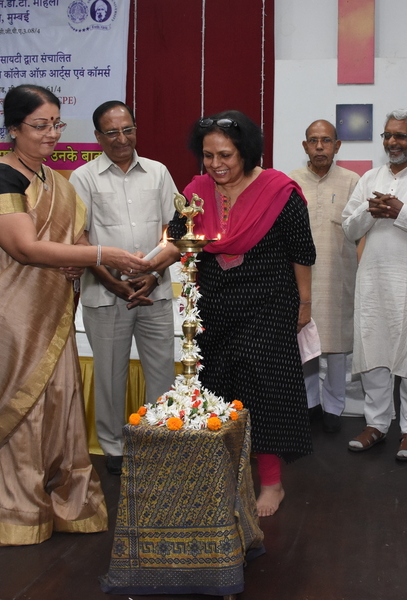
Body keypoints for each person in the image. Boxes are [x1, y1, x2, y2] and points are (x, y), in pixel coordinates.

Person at [0, 84, 146, 546]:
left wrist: (101, 270)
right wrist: (105, 254)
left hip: (52, 312)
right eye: (40, 125)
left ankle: (67, 505)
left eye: (56, 124)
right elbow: (25, 248)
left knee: (61, 404)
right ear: (13, 129)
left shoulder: (56, 183)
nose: (52, 134)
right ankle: (18, 513)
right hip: (10, 317)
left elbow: (76, 241)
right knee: (24, 412)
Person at [142, 110, 315, 517]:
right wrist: (147, 269)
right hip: (215, 305)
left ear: (246, 152)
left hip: (269, 304)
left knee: (264, 393)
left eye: (226, 155)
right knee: (217, 391)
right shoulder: (197, 192)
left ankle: (271, 484)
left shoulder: (280, 192)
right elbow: (178, 240)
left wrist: (304, 304)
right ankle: (224, 477)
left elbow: (302, 253)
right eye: (208, 155)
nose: (216, 165)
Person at [69, 101, 177, 475]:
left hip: (154, 291)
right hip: (104, 294)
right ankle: (113, 447)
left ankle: (160, 439)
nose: (121, 138)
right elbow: (79, 238)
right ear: (98, 136)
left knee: (161, 371)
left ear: (136, 130)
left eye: (127, 129)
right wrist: (111, 281)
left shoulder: (158, 172)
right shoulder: (83, 177)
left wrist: (155, 274)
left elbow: (175, 228)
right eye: (112, 132)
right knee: (110, 375)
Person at [341, 109, 407, 461]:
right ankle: (376, 423)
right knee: (373, 350)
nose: (392, 142)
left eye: (400, 136)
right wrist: (370, 211)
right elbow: (349, 227)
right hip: (373, 279)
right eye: (387, 135)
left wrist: (400, 211)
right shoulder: (369, 177)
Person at [288, 120, 360, 433]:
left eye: (326, 141)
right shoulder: (289, 181)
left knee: (336, 346)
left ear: (337, 145)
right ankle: (308, 404)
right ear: (305, 146)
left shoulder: (352, 181)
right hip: (298, 278)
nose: (320, 147)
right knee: (304, 343)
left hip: (338, 275)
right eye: (314, 141)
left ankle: (334, 407)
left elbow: (361, 232)